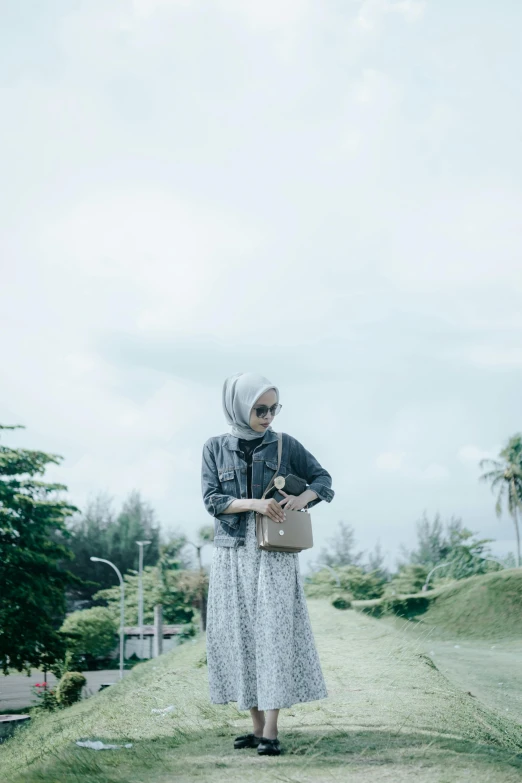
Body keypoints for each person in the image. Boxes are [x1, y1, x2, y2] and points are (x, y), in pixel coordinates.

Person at [201, 372, 335, 756]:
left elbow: (323, 480)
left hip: (274, 553)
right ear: (240, 407)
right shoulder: (214, 447)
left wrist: (301, 499)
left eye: (274, 408)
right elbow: (212, 500)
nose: (268, 416)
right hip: (230, 552)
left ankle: (272, 732)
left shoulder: (284, 445)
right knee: (239, 636)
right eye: (260, 409)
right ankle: (256, 727)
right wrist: (255, 503)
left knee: (273, 634)